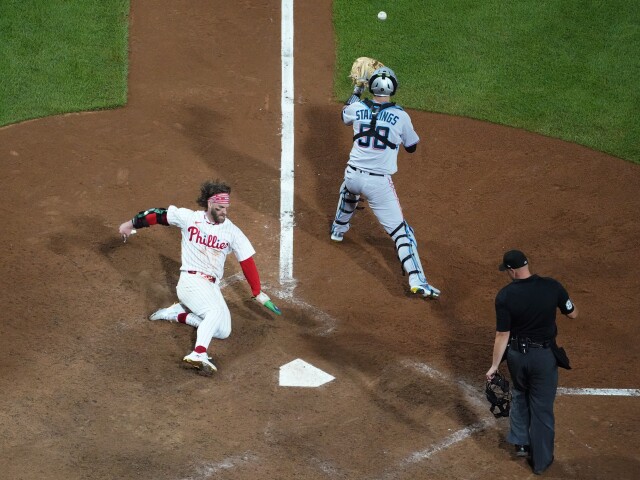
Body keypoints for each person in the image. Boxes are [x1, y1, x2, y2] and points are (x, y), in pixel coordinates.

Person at [118, 180, 281, 376]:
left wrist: (256, 291)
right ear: (210, 204)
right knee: (213, 312)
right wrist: (130, 224)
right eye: (220, 208)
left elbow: (247, 261)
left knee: (223, 331)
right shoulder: (190, 218)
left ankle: (177, 313)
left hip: (210, 286)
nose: (224, 212)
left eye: (226, 208)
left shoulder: (232, 231)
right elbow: (158, 215)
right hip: (190, 282)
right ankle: (199, 353)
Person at [330, 66, 440, 299]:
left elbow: (344, 114)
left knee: (349, 190)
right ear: (393, 88)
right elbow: (411, 147)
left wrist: (357, 89)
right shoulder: (401, 116)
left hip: (352, 175)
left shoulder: (357, 107)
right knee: (403, 233)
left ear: (371, 87)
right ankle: (417, 280)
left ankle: (338, 230)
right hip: (378, 184)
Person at [486, 250, 578, 475]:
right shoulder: (552, 287)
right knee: (542, 407)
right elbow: (573, 313)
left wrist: (494, 366)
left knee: (519, 392)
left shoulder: (505, 296)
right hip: (544, 357)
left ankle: (520, 442)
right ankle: (541, 461)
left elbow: (502, 335)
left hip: (517, 356)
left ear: (511, 270)